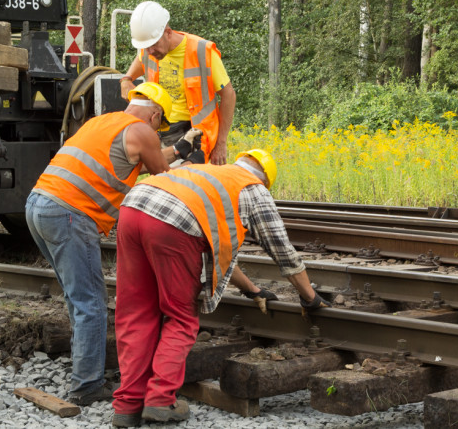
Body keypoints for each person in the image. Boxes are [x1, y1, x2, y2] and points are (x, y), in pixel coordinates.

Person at [111, 149, 332, 427]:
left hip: (133, 207)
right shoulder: (253, 189)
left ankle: (127, 407)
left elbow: (221, 256)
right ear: (265, 180)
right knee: (180, 317)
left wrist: (252, 290)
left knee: (136, 314)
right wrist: (309, 297)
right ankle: (159, 400)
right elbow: (283, 252)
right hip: (173, 223)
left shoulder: (209, 173)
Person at [25, 82, 203, 406]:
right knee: (91, 303)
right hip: (69, 215)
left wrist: (179, 150)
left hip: (38, 205)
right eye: (160, 126)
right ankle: (87, 385)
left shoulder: (103, 122)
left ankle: (84, 369)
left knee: (77, 297)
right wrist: (191, 166)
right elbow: (163, 178)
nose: (158, 132)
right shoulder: (143, 131)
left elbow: (149, 156)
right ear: (155, 115)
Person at [120, 1, 236, 165]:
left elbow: (228, 95)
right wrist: (126, 78)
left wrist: (221, 143)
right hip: (163, 130)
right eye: (146, 47)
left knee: (183, 184)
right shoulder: (149, 49)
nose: (150, 52)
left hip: (197, 134)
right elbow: (141, 59)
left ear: (168, 33)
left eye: (153, 45)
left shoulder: (202, 51)